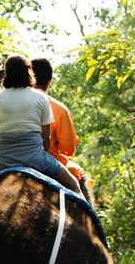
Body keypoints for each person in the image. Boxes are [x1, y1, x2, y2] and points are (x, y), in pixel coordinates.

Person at [0, 55, 84, 197]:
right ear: (28, 72)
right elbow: (46, 135)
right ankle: (94, 219)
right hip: (36, 159)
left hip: (2, 161)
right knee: (74, 185)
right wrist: (42, 153)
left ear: (6, 73)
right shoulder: (40, 98)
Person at [30, 57, 93, 185]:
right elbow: (67, 149)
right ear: (49, 81)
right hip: (49, 163)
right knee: (79, 176)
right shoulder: (59, 109)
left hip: (6, 160)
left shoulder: (7, 103)